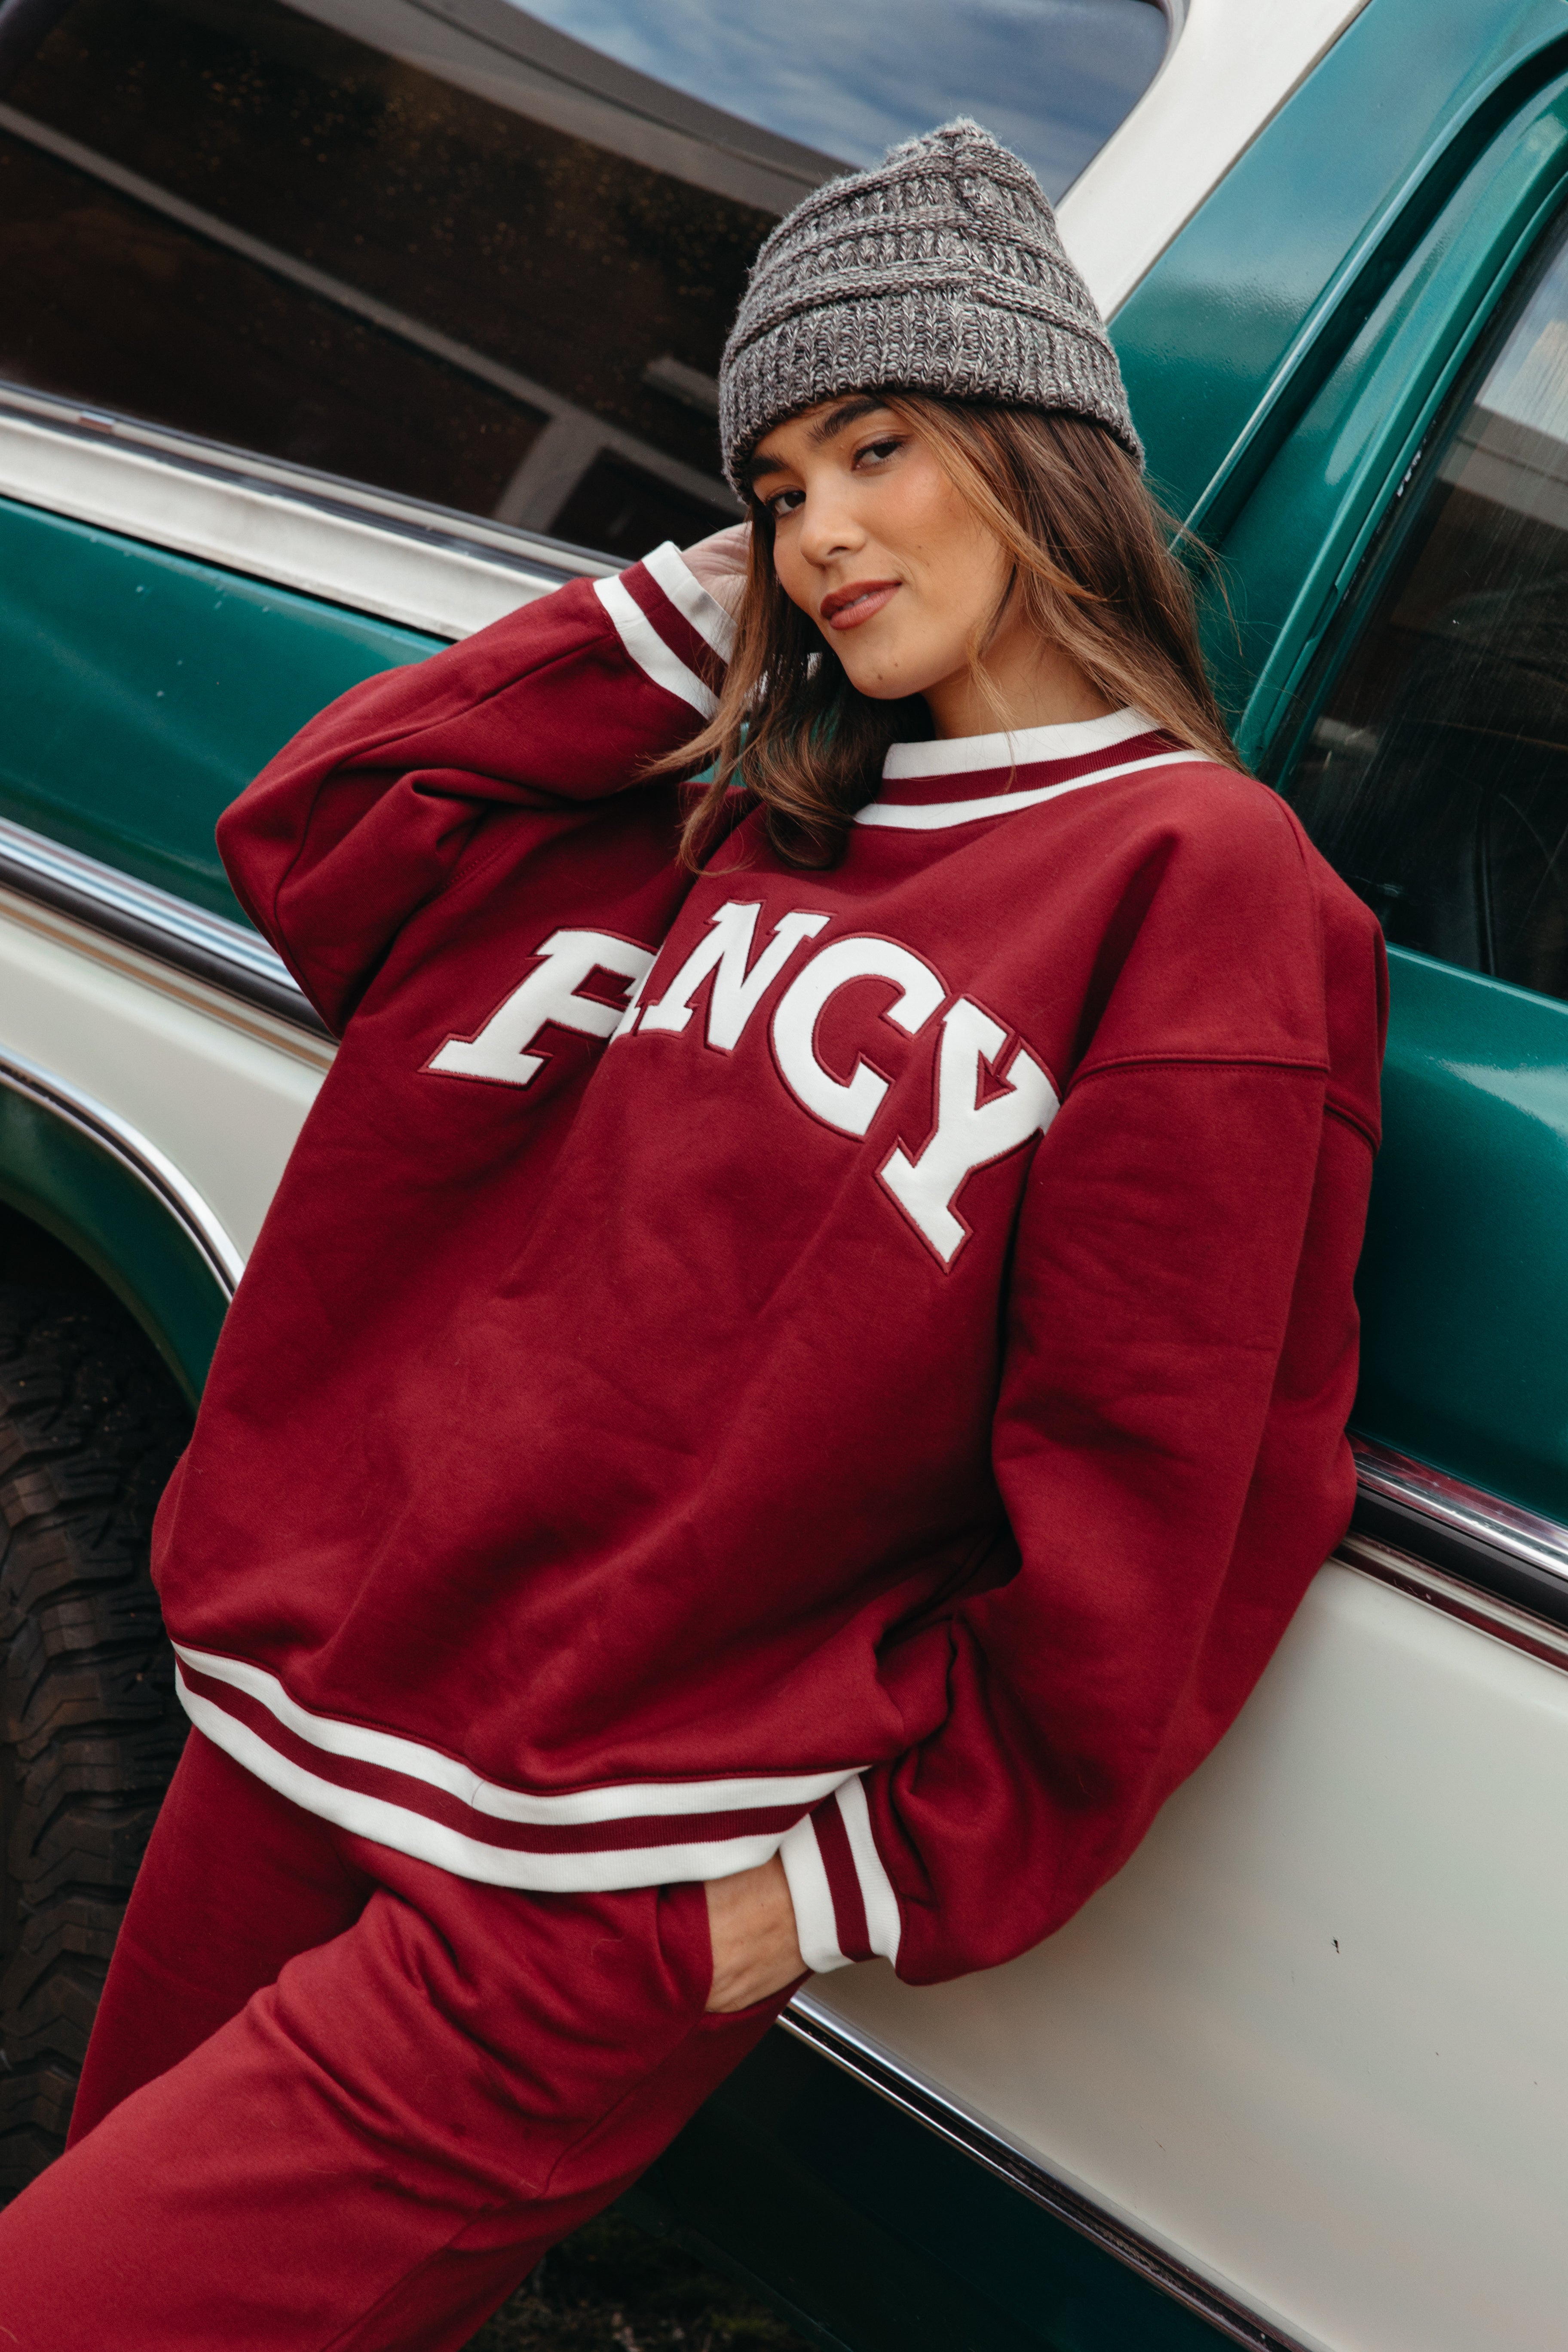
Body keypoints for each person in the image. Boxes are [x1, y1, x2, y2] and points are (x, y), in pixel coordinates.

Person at [0, 120, 1385, 2347]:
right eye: (776, 485)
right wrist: (687, 615)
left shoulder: (1195, 886)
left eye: (880, 448)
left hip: (590, 1886)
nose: (822, 531)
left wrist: (831, 1888)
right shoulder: (740, 807)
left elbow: (1173, 1488)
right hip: (297, 1725)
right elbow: (328, 843)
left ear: (1040, 452)